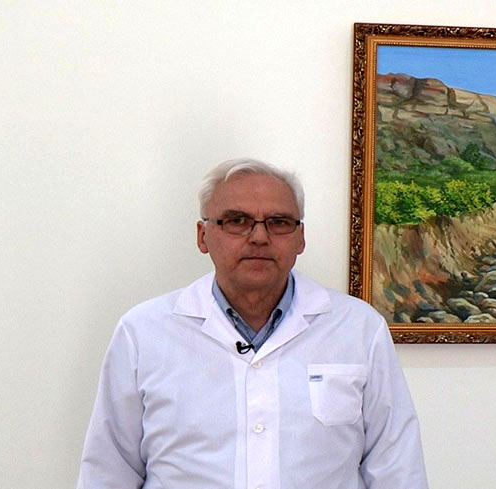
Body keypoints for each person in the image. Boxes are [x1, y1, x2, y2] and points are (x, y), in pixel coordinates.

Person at [77, 158, 428, 489]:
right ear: (202, 235)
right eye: (237, 221)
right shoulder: (143, 332)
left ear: (300, 238)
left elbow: (397, 467)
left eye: (279, 222)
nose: (259, 237)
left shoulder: (358, 328)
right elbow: (108, 471)